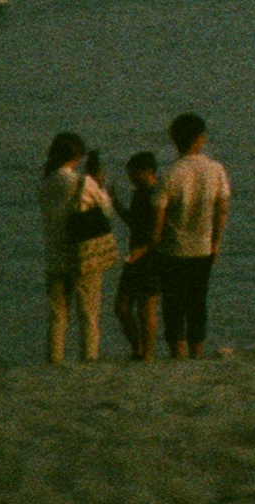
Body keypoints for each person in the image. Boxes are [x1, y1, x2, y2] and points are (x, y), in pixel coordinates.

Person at [150, 112, 230, 357]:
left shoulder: (169, 174)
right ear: (201, 139)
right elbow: (222, 209)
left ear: (175, 141)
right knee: (197, 303)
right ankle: (197, 351)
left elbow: (158, 218)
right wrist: (216, 242)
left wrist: (153, 246)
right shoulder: (215, 170)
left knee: (173, 305)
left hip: (173, 249)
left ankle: (178, 353)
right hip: (202, 247)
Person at [38, 133, 116, 363]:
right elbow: (106, 210)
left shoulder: (45, 183)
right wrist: (100, 186)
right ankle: (89, 359)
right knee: (89, 314)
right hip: (84, 253)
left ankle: (54, 360)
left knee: (57, 315)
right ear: (77, 156)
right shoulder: (82, 182)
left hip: (55, 253)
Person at [113, 150, 165, 359]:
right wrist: (115, 203)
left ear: (147, 171)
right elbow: (134, 223)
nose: (131, 178)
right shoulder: (139, 194)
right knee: (122, 307)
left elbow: (158, 233)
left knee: (146, 307)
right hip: (136, 255)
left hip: (151, 256)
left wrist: (141, 251)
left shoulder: (156, 194)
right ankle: (138, 347)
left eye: (134, 174)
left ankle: (146, 353)